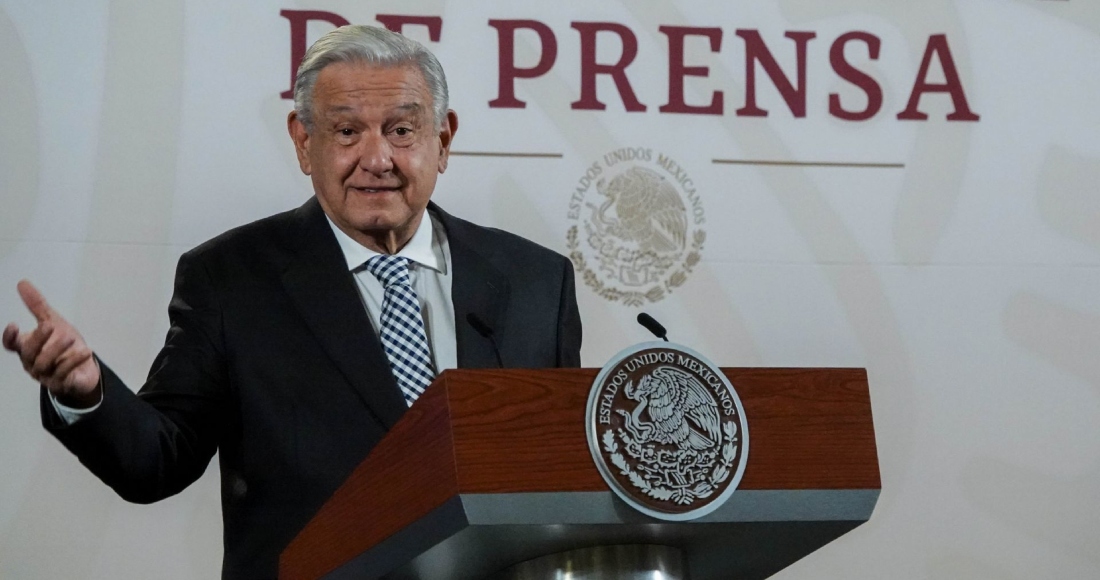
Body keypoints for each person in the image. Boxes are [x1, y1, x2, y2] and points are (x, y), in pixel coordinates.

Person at [2, 25, 581, 579]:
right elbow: (158, 459)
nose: (377, 159)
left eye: (402, 131)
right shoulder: (231, 279)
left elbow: (563, 483)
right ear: (305, 143)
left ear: (443, 139)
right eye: (347, 132)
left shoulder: (535, 281)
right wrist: (85, 393)